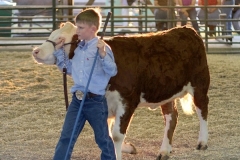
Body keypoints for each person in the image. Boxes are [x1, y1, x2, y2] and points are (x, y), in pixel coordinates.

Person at [52, 8, 117, 160]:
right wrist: (58, 52)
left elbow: (112, 70)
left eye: (80, 28)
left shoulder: (102, 48)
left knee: (102, 139)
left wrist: (102, 55)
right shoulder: (79, 49)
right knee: (66, 137)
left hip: (95, 102)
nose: (77, 31)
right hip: (77, 100)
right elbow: (68, 69)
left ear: (93, 29)